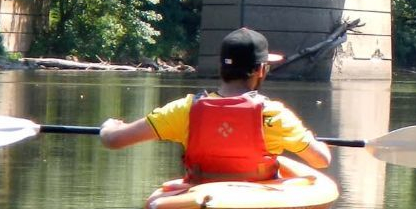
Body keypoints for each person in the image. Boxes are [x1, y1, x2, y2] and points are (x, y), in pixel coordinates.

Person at [100, 27, 331, 179]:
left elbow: (113, 141)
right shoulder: (273, 116)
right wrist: (315, 141)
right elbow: (321, 161)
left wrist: (110, 126)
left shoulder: (185, 110)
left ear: (222, 67)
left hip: (201, 195)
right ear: (261, 69)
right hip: (257, 199)